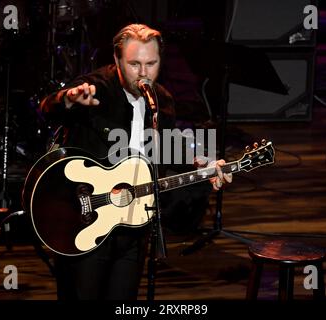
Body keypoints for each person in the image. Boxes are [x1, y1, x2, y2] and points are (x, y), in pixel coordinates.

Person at [39, 23, 232, 300]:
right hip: (86, 219)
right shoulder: (97, 89)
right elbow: (48, 109)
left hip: (133, 224)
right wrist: (68, 100)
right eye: (134, 64)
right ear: (117, 60)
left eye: (151, 63)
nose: (143, 73)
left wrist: (203, 164)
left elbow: (163, 147)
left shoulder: (162, 101)